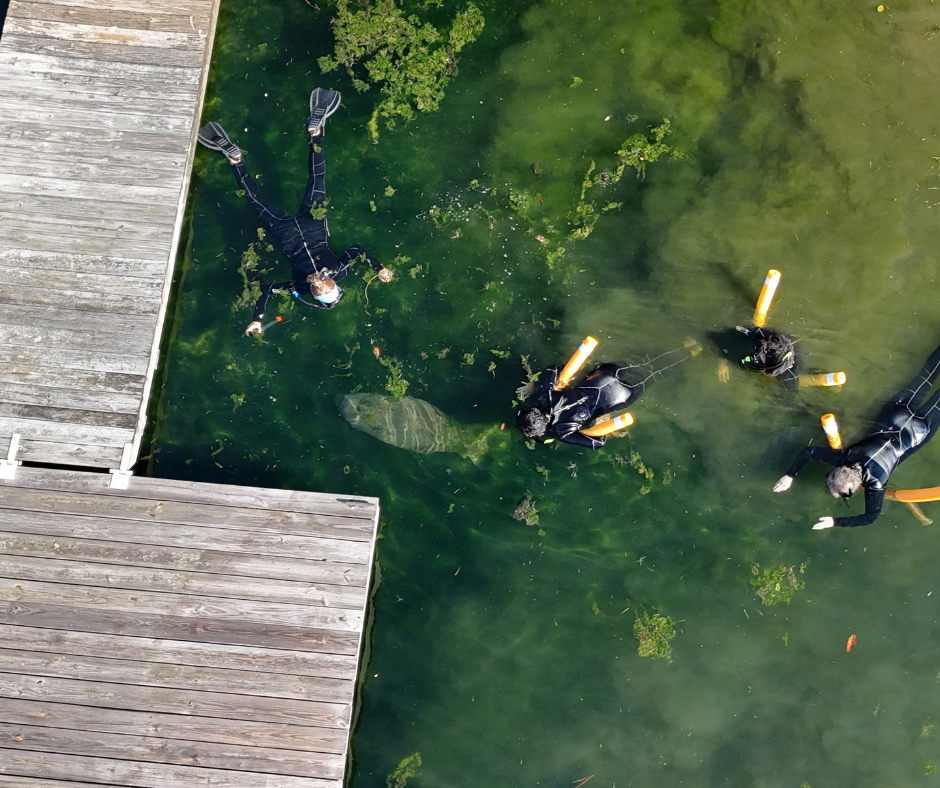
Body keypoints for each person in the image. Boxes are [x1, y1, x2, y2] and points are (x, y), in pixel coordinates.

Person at [196, 88, 393, 336]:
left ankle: (316, 133)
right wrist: (257, 318)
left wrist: (379, 267)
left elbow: (359, 250)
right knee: (254, 198)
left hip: (313, 224)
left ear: (337, 287)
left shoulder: (340, 270)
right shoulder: (297, 286)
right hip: (284, 233)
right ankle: (235, 159)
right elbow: (267, 289)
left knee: (317, 179)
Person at [774, 341, 940, 529]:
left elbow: (869, 518)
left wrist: (835, 522)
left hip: (918, 431)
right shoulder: (844, 457)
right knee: (927, 373)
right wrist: (790, 475)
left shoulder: (875, 486)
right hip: (896, 413)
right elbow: (809, 452)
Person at [516, 343, 700, 449]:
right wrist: (536, 386)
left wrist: (598, 423)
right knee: (644, 360)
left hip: (620, 395)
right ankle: (687, 344)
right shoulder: (546, 396)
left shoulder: (565, 433)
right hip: (604, 375)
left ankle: (693, 351)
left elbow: (599, 442)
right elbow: (553, 368)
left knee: (656, 373)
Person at [714, 325, 798, 385]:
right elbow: (724, 336)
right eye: (760, 358)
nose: (757, 359)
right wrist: (723, 359)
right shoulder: (756, 335)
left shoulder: (788, 373)